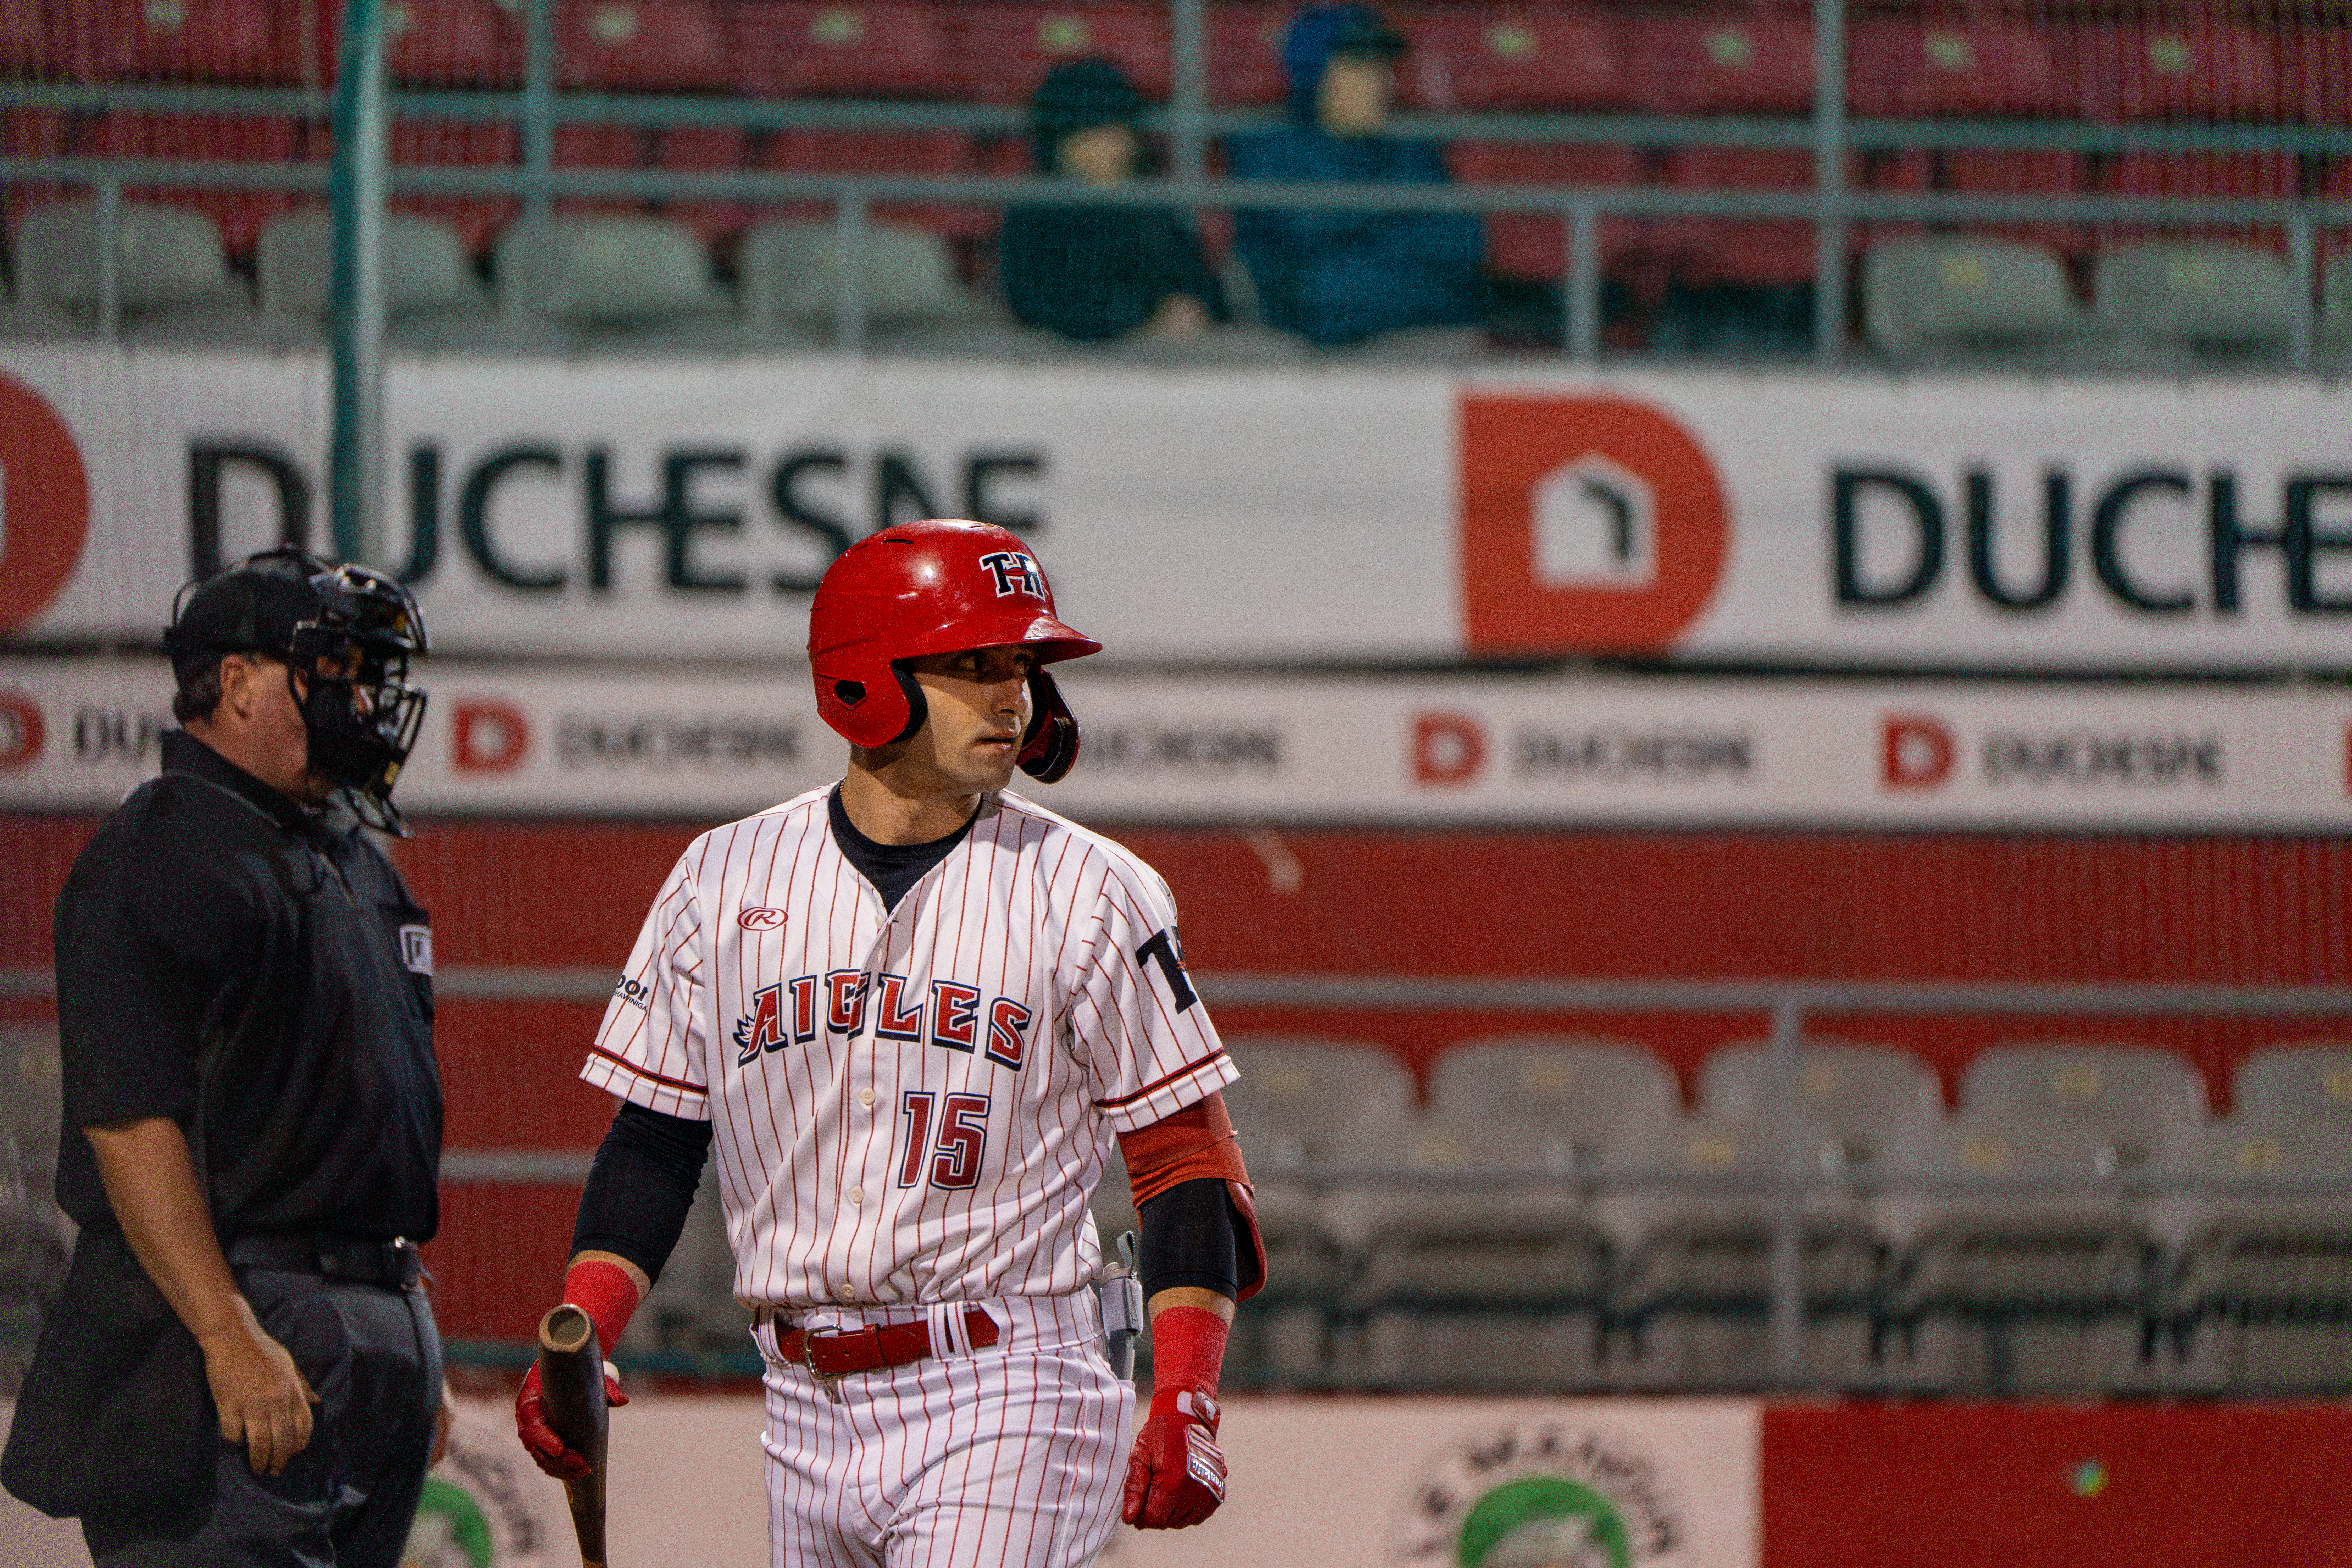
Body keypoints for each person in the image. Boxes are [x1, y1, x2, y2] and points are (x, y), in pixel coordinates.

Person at [512, 518, 1265, 1565]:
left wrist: (1185, 1390)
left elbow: (1183, 1156)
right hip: (800, 1399)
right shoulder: (721, 878)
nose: (1011, 697)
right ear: (864, 680)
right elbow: (651, 1142)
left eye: (1018, 665)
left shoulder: (1092, 888)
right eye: (969, 665)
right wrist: (584, 1329)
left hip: (1010, 1382)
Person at [0, 546, 451, 1566]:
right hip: (242, 1322)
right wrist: (225, 1331)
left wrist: (403, 1322)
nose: (364, 701)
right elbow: (126, 1119)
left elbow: (366, 1119)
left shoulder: (346, 851)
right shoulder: (162, 850)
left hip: (365, 1324)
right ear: (237, 681)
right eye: (332, 670)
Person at [1227, 2, 1485, 346]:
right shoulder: (1265, 149)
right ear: (1313, 73)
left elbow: (1460, 240)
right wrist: (1392, 239)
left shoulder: (1411, 151)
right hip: (1306, 335)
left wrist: (1363, 247)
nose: (1379, 82)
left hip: (1411, 330)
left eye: (1382, 68)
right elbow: (1300, 253)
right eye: (1358, 67)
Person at [1000, 58, 1228, 343]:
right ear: (1059, 144)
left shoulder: (1152, 208)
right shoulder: (1034, 214)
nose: (1110, 148)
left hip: (1156, 367)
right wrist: (1148, 316)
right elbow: (1043, 306)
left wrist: (1191, 305)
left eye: (1117, 133)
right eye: (1091, 135)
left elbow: (1205, 291)